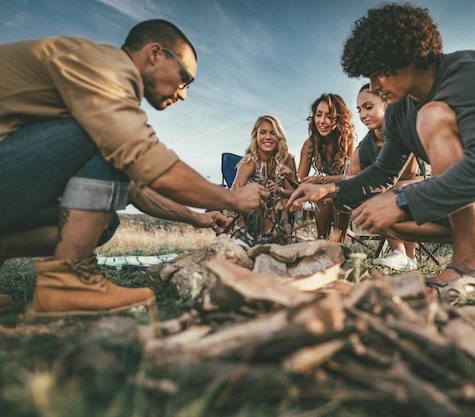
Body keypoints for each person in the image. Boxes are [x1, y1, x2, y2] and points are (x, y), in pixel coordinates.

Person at [288, 4, 475, 303]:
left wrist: (404, 200)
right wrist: (328, 189)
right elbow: (383, 174)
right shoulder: (397, 113)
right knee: (380, 211)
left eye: (380, 72)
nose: (374, 86)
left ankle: (470, 267)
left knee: (431, 118)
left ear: (411, 54)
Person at [0, 19, 267, 315]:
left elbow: (137, 188)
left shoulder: (95, 93)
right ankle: (68, 281)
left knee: (103, 222)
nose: (183, 94)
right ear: (155, 53)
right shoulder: (105, 66)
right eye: (184, 78)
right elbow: (143, 158)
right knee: (108, 140)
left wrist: (195, 217)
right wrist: (233, 198)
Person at [354, 83, 421, 271]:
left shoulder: (405, 131)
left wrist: (375, 185)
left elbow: (409, 176)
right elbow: (350, 175)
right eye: (359, 110)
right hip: (392, 188)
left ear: (387, 104)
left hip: (420, 185)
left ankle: (404, 254)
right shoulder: (365, 145)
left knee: (384, 192)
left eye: (368, 107)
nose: (363, 115)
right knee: (366, 194)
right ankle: (403, 256)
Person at [297, 93, 356, 242]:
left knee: (337, 198)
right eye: (318, 115)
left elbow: (350, 176)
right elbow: (300, 178)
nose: (322, 121)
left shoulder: (348, 139)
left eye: (329, 116)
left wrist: (319, 179)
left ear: (339, 119)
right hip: (325, 193)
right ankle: (322, 242)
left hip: (347, 189)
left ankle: (337, 244)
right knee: (323, 199)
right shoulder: (310, 143)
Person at [230, 114, 299, 242]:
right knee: (244, 200)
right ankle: (243, 236)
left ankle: (271, 235)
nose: (268, 137)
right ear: (256, 136)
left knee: (282, 203)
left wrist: (279, 189)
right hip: (250, 211)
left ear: (278, 137)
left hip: (278, 212)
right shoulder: (249, 162)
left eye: (273, 133)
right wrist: (252, 190)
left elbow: (294, 194)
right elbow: (233, 193)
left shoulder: (286, 158)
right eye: (263, 132)